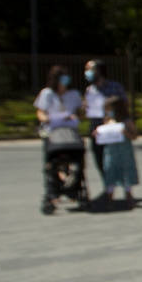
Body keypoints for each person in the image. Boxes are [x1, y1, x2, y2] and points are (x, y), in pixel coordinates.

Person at [34, 65, 84, 212]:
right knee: (52, 163)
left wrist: (78, 113)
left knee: (77, 160)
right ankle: (53, 193)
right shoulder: (47, 93)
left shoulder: (73, 94)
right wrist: (47, 119)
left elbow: (80, 111)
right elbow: (40, 112)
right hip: (52, 133)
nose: (65, 80)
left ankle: (73, 190)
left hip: (70, 133)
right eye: (62, 78)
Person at [82, 59, 126, 176]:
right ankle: (108, 186)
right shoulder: (90, 89)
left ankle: (123, 187)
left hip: (112, 125)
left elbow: (123, 106)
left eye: (90, 69)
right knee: (99, 157)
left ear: (99, 70)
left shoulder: (115, 87)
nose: (87, 72)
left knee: (115, 157)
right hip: (95, 124)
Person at [95, 95, 139, 208]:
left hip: (124, 152)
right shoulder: (107, 121)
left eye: (109, 109)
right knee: (110, 172)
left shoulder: (126, 121)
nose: (107, 111)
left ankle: (128, 196)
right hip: (111, 152)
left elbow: (134, 136)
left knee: (126, 173)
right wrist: (98, 133)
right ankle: (110, 198)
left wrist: (126, 133)